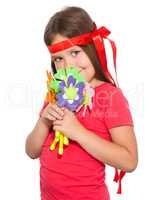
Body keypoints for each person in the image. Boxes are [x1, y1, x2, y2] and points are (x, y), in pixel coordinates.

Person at [25, 6, 138, 200]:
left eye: (75, 53)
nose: (68, 65)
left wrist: (78, 132)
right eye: (59, 58)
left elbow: (129, 161)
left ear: (93, 47)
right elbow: (31, 151)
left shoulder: (110, 97)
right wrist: (43, 122)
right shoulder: (55, 93)